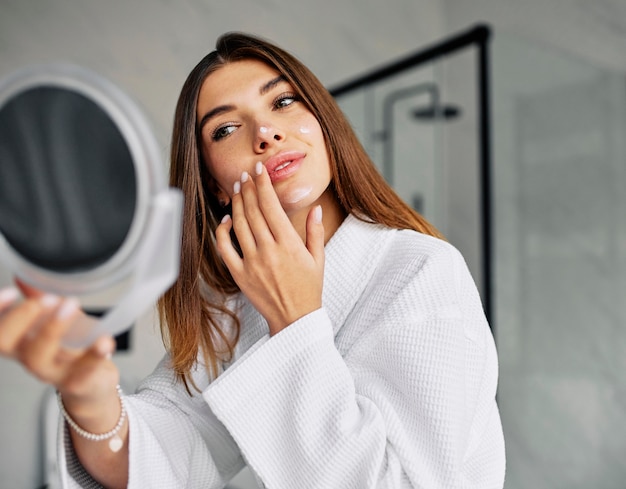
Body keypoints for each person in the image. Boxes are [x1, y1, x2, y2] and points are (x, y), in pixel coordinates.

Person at [0, 32, 505, 488]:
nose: (265, 132)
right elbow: (169, 454)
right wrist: (89, 394)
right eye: (225, 130)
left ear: (323, 126)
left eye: (284, 101)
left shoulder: (421, 271)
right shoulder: (236, 309)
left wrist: (296, 322)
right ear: (215, 186)